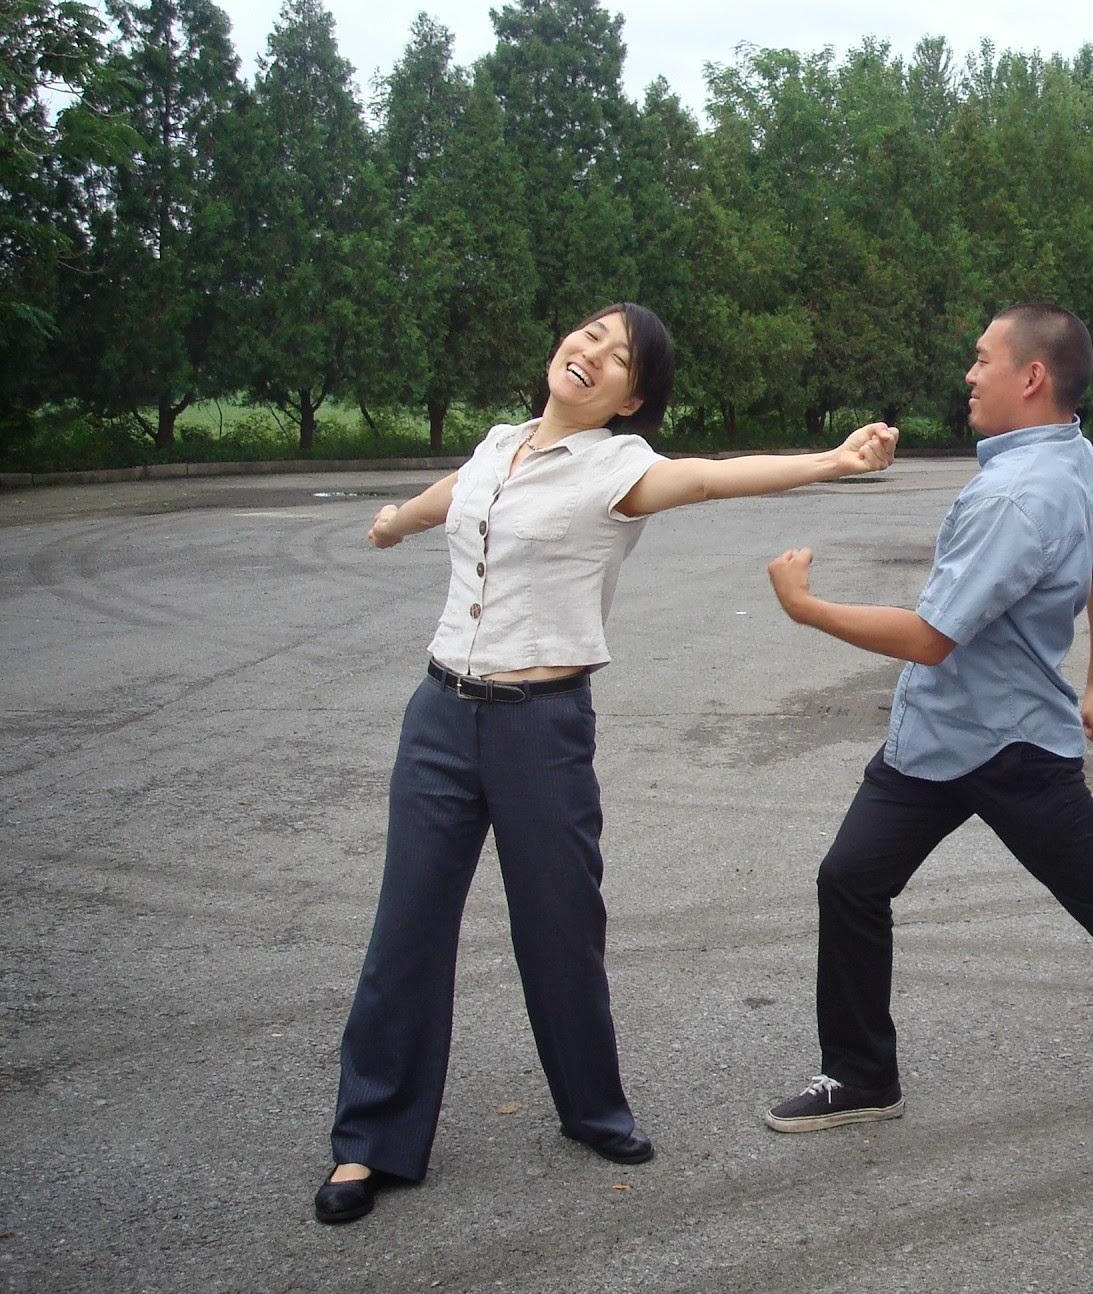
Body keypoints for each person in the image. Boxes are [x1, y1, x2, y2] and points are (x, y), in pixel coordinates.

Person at [315, 303, 897, 1224]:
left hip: (538, 728)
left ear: (633, 397)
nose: (589, 353)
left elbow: (710, 480)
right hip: (438, 716)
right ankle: (370, 1142)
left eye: (617, 356)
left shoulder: (621, 470)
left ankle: (591, 1109)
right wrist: (393, 524)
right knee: (407, 930)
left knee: (560, 925)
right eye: (587, 335)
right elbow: (453, 494)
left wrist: (831, 461)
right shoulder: (498, 443)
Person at [760, 303, 1093, 1150]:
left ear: (1031, 376)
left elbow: (931, 636)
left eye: (982, 358)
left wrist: (806, 607)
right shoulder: (1074, 457)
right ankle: (860, 1074)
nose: (969, 374)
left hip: (1009, 749)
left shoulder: (1016, 495)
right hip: (936, 741)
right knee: (851, 879)